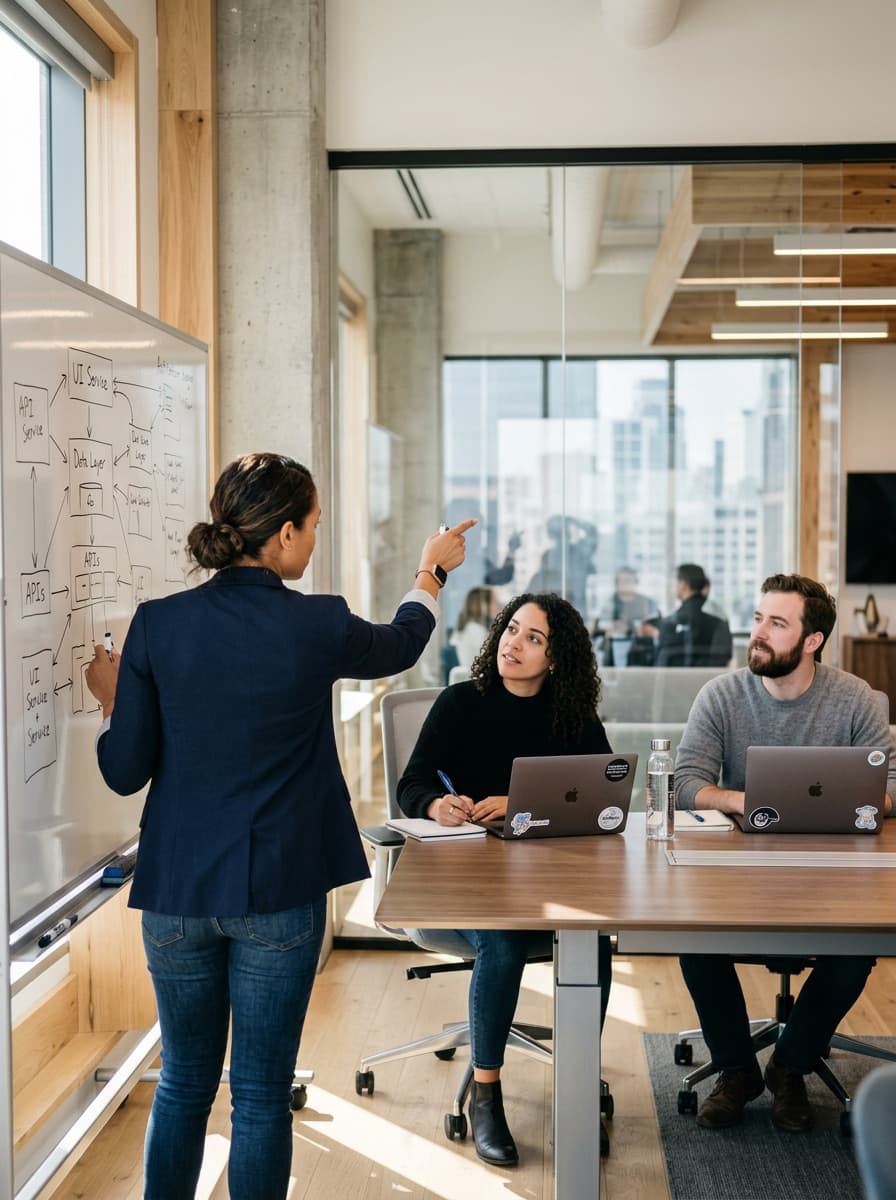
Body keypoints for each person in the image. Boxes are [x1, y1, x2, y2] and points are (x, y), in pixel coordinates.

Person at [82, 452, 474, 1200]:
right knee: (260, 1096)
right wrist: (431, 572)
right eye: (316, 526)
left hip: (178, 895)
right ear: (285, 534)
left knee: (184, 1083)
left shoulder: (158, 626)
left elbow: (125, 771)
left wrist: (113, 701)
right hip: (280, 892)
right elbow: (401, 642)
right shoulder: (316, 623)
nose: (316, 540)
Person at [397, 592, 614, 1166]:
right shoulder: (459, 703)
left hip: (546, 878)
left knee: (594, 942)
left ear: (556, 658)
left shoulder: (573, 718)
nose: (514, 644)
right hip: (464, 876)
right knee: (503, 940)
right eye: (511, 630)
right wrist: (435, 806)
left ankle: (577, 1084)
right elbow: (413, 783)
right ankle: (487, 1096)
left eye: (533, 638)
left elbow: (602, 799)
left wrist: (519, 802)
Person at [674, 573, 896, 1134]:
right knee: (692, 939)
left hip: (837, 870)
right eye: (757, 619)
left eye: (777, 623)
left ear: (812, 639)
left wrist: (866, 801)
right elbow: (686, 784)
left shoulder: (856, 700)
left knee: (856, 948)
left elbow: (893, 782)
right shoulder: (721, 696)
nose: (759, 634)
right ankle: (735, 1070)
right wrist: (742, 799)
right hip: (740, 871)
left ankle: (791, 1065)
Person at [651, 562, 732, 668]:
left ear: (683, 584)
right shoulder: (718, 614)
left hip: (675, 680)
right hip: (709, 679)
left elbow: (662, 661)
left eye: (674, 581)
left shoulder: (675, 620)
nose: (672, 586)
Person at [598, 566, 660, 666]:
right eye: (621, 581)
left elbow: (655, 627)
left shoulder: (647, 603)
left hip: (641, 652)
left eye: (628, 581)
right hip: (614, 649)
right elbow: (602, 624)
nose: (625, 584)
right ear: (616, 584)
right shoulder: (611, 603)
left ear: (635, 582)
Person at [449, 585, 497, 669]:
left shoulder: (469, 627)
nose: (496, 605)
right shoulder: (476, 630)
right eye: (493, 602)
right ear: (482, 605)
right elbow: (491, 660)